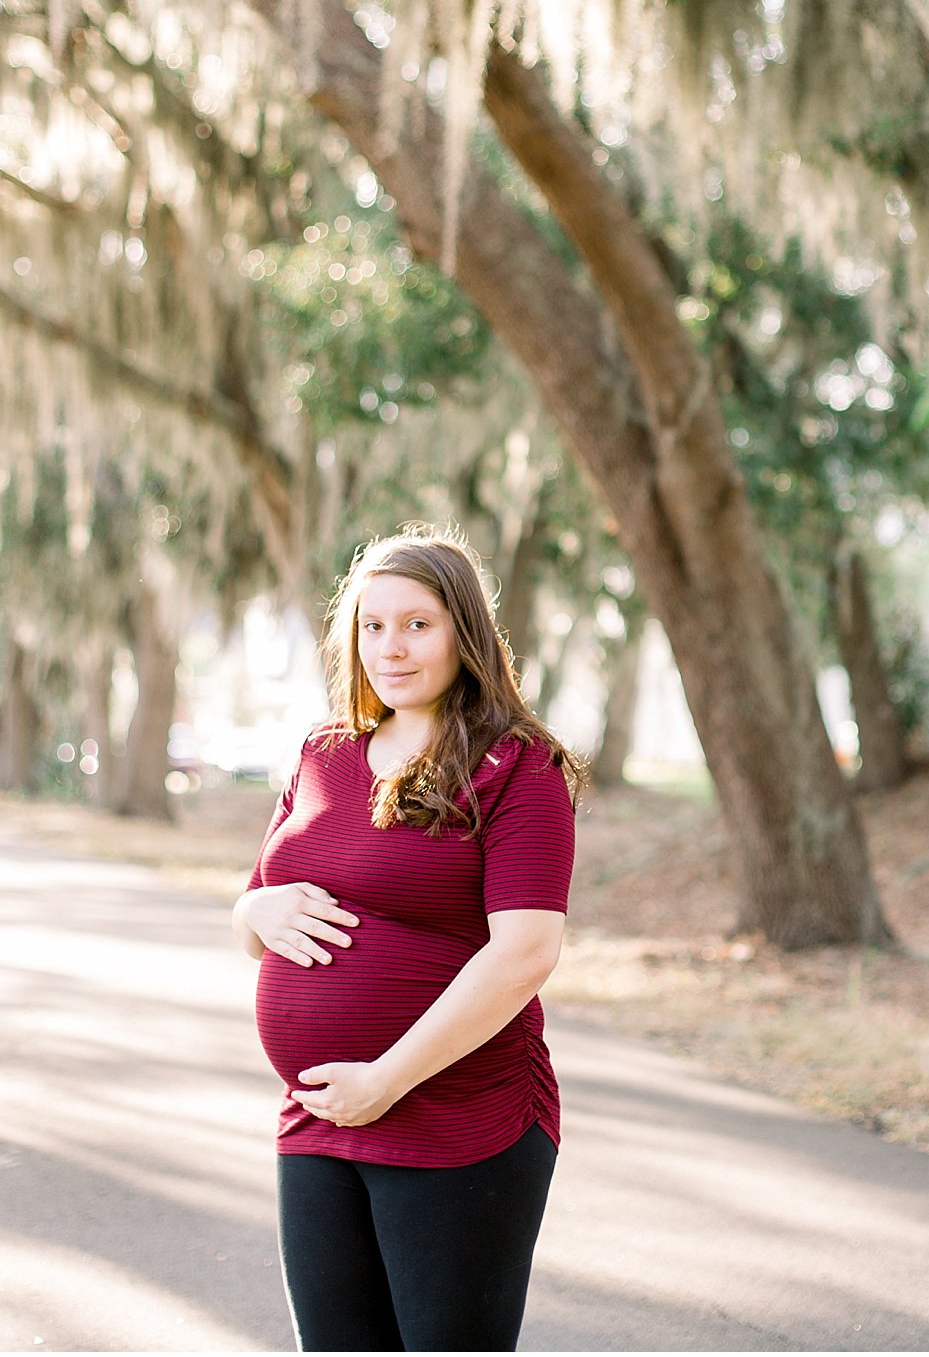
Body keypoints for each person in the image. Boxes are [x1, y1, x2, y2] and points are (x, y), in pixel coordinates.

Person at [233, 526, 587, 1352]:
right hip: (321, 1116)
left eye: (417, 624)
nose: (390, 647)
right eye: (372, 625)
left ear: (466, 632)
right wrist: (253, 914)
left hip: (459, 1120)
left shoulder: (516, 765)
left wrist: (385, 1079)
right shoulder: (324, 753)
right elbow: (255, 908)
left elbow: (526, 951)